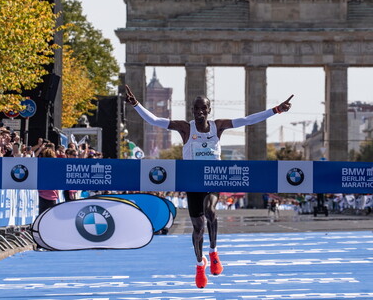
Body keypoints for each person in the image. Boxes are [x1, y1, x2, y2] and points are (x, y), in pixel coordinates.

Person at [125, 84, 293, 288]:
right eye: (196, 109)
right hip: (192, 181)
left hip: (213, 178)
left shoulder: (218, 126)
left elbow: (248, 120)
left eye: (203, 108)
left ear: (209, 110)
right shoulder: (186, 128)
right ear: (192, 111)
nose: (200, 112)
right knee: (198, 227)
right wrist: (136, 105)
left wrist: (276, 110)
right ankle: (199, 264)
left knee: (210, 211)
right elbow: (155, 121)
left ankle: (213, 252)